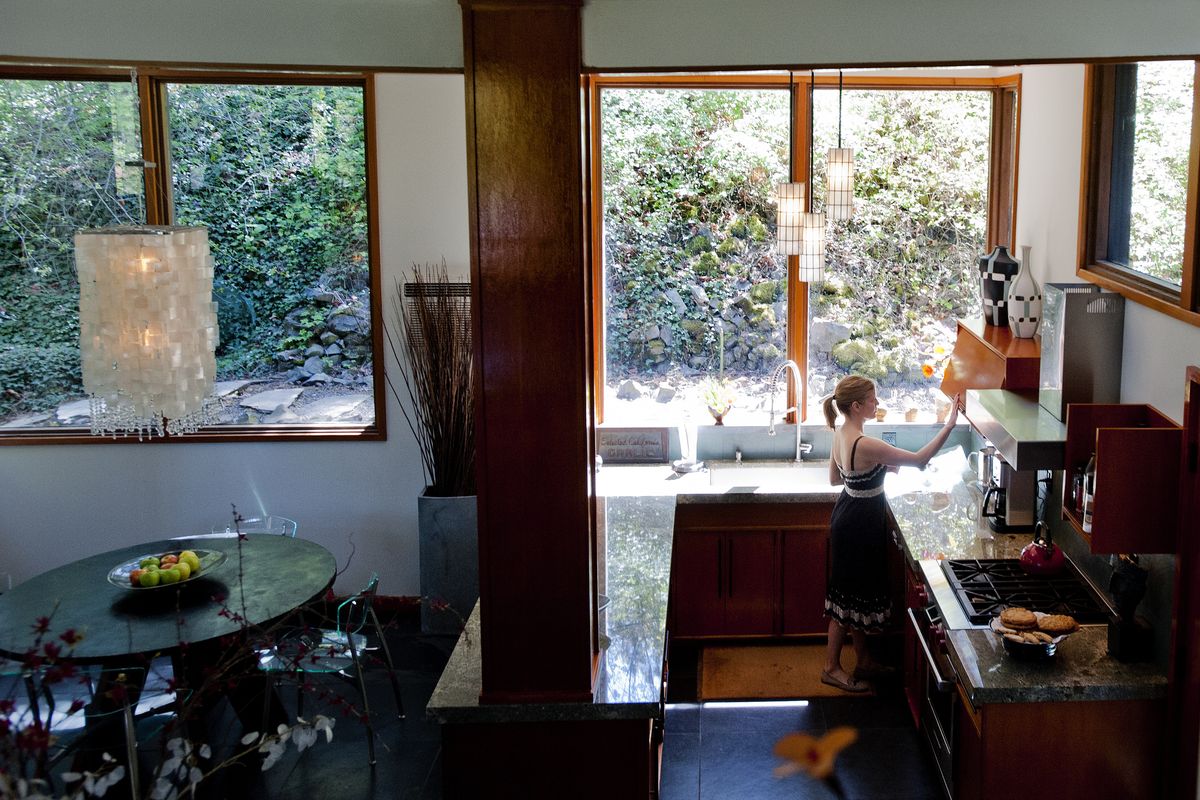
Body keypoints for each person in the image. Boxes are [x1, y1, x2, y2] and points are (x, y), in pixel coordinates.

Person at [818, 375, 960, 693]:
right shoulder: (866, 444)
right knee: (845, 601)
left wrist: (876, 469)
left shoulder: (843, 432)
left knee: (851, 596)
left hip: (847, 515)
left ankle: (864, 660)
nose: (877, 403)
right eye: (872, 399)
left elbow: (834, 478)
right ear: (857, 406)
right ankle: (830, 668)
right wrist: (949, 425)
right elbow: (921, 460)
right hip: (859, 525)